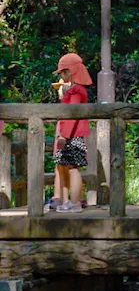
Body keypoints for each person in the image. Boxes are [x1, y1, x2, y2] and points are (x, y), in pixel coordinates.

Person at [51, 54, 92, 213]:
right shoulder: (73, 90)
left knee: (73, 168)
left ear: (71, 72)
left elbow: (72, 115)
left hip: (73, 135)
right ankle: (67, 200)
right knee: (62, 166)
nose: (61, 76)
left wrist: (63, 136)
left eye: (63, 72)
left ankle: (75, 202)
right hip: (68, 134)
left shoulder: (77, 91)